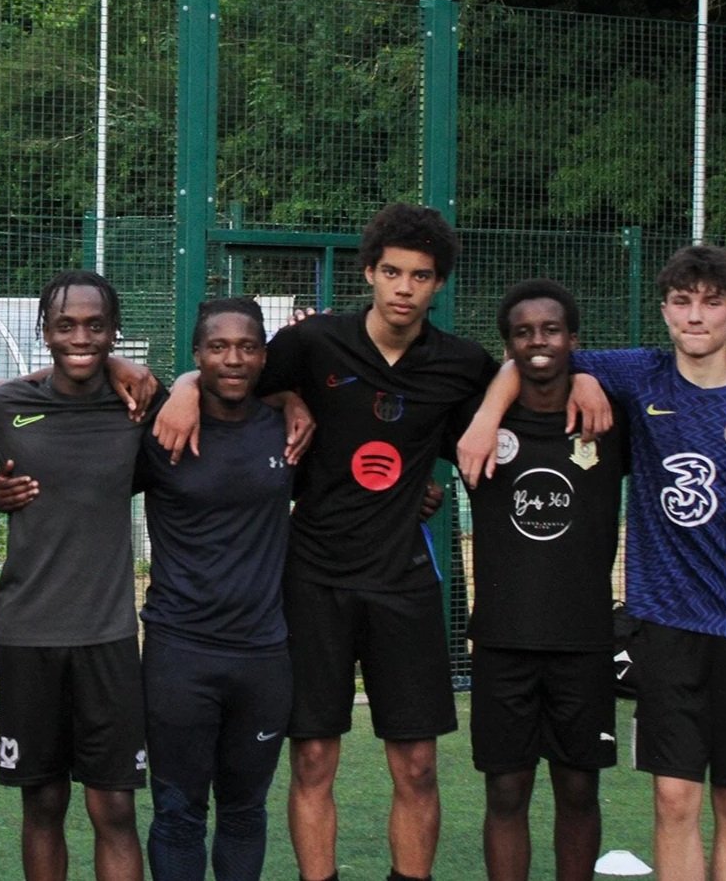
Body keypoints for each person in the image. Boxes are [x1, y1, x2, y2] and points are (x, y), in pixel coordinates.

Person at [154, 205, 606, 881]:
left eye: (419, 276)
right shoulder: (314, 347)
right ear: (367, 272)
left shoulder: (457, 363)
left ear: (437, 285)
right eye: (390, 271)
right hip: (312, 578)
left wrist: (582, 375)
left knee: (417, 765)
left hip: (402, 581)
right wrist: (186, 386)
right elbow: (236, 372)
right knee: (312, 759)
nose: (403, 287)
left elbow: (530, 367)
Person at [460, 246, 726, 881]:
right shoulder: (641, 376)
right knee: (674, 800)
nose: (695, 316)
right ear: (665, 311)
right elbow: (538, 358)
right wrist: (488, 415)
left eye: (711, 303)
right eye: (682, 302)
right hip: (665, 628)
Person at [0, 269, 154, 881]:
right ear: (44, 331)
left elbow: (225, 388)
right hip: (29, 636)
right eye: (66, 324)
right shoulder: (6, 405)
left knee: (115, 807)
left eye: (95, 326)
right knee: (42, 801)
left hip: (109, 637)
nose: (81, 337)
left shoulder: (139, 405)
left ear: (113, 333)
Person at [460, 280, 625, 881]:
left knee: (579, 792)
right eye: (523, 331)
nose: (538, 341)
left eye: (551, 330)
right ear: (507, 345)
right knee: (506, 794)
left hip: (583, 641)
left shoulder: (609, 417)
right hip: (503, 641)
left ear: (573, 340)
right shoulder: (479, 421)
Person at [135, 297, 294, 881]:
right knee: (178, 814)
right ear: (198, 354)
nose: (234, 358)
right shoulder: (163, 429)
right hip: (181, 653)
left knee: (245, 812)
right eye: (219, 347)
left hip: (264, 656)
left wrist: (419, 498)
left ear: (263, 356)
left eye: (248, 346)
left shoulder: (288, 427)